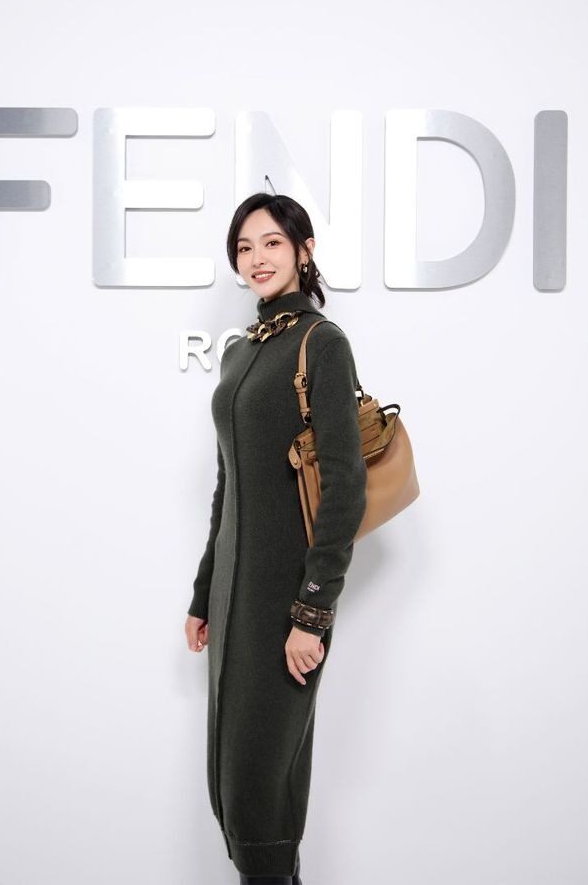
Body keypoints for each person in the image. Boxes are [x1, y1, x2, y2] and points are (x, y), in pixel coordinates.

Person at [185, 193, 367, 884]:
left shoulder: (323, 344)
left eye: (271, 243)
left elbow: (344, 487)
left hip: (286, 605)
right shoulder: (241, 352)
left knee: (263, 795)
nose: (256, 258)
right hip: (232, 603)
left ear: (304, 249)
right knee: (231, 786)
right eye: (244, 247)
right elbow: (227, 486)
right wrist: (203, 594)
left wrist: (312, 613)